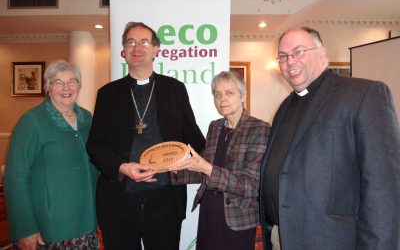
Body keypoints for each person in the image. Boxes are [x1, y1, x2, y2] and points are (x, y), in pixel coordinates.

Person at [260, 27, 400, 249]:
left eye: (299, 52)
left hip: (332, 240)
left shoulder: (364, 94)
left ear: (322, 54)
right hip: (282, 236)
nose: (290, 62)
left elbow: (383, 189)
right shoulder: (285, 107)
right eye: (284, 56)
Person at [86, 21, 206, 250]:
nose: (137, 47)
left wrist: (190, 160)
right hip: (119, 199)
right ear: (124, 50)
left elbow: (194, 138)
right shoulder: (108, 94)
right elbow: (95, 145)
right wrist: (122, 167)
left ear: (156, 49)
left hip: (165, 201)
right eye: (130, 42)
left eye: (144, 42)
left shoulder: (174, 89)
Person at [4, 59, 99, 250]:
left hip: (86, 222)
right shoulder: (32, 122)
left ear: (79, 86)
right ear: (48, 87)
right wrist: (25, 229)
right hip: (51, 229)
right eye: (58, 82)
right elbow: (15, 178)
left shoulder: (87, 118)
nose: (66, 87)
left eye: (72, 81)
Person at [170, 71, 270, 250]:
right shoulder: (215, 127)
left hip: (238, 217)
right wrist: (177, 171)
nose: (222, 99)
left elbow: (251, 184)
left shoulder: (259, 128)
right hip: (210, 209)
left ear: (243, 96)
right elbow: (203, 169)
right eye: (217, 94)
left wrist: (207, 169)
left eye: (229, 92)